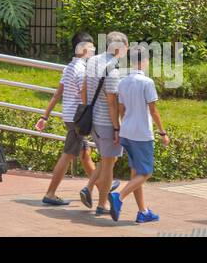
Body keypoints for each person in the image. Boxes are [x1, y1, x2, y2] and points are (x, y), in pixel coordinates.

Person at [35, 31, 98, 206]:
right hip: (78, 118)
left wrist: (45, 116)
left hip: (70, 116)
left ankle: (101, 189)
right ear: (84, 49)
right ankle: (50, 193)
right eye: (91, 48)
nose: (93, 51)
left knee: (85, 154)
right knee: (68, 154)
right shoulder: (81, 70)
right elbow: (84, 95)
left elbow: (57, 94)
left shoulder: (69, 67)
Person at [108, 43, 169, 224]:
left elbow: (121, 108)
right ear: (144, 61)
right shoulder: (147, 82)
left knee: (136, 174)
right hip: (142, 134)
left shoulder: (123, 81)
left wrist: (120, 128)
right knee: (146, 172)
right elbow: (154, 111)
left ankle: (143, 211)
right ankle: (119, 196)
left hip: (127, 132)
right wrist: (163, 132)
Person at [82, 31, 127, 215]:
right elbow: (111, 102)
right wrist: (117, 127)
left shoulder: (93, 61)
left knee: (109, 158)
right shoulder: (113, 71)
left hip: (92, 119)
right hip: (106, 123)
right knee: (109, 163)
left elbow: (84, 87)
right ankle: (102, 204)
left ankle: (89, 186)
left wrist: (86, 108)